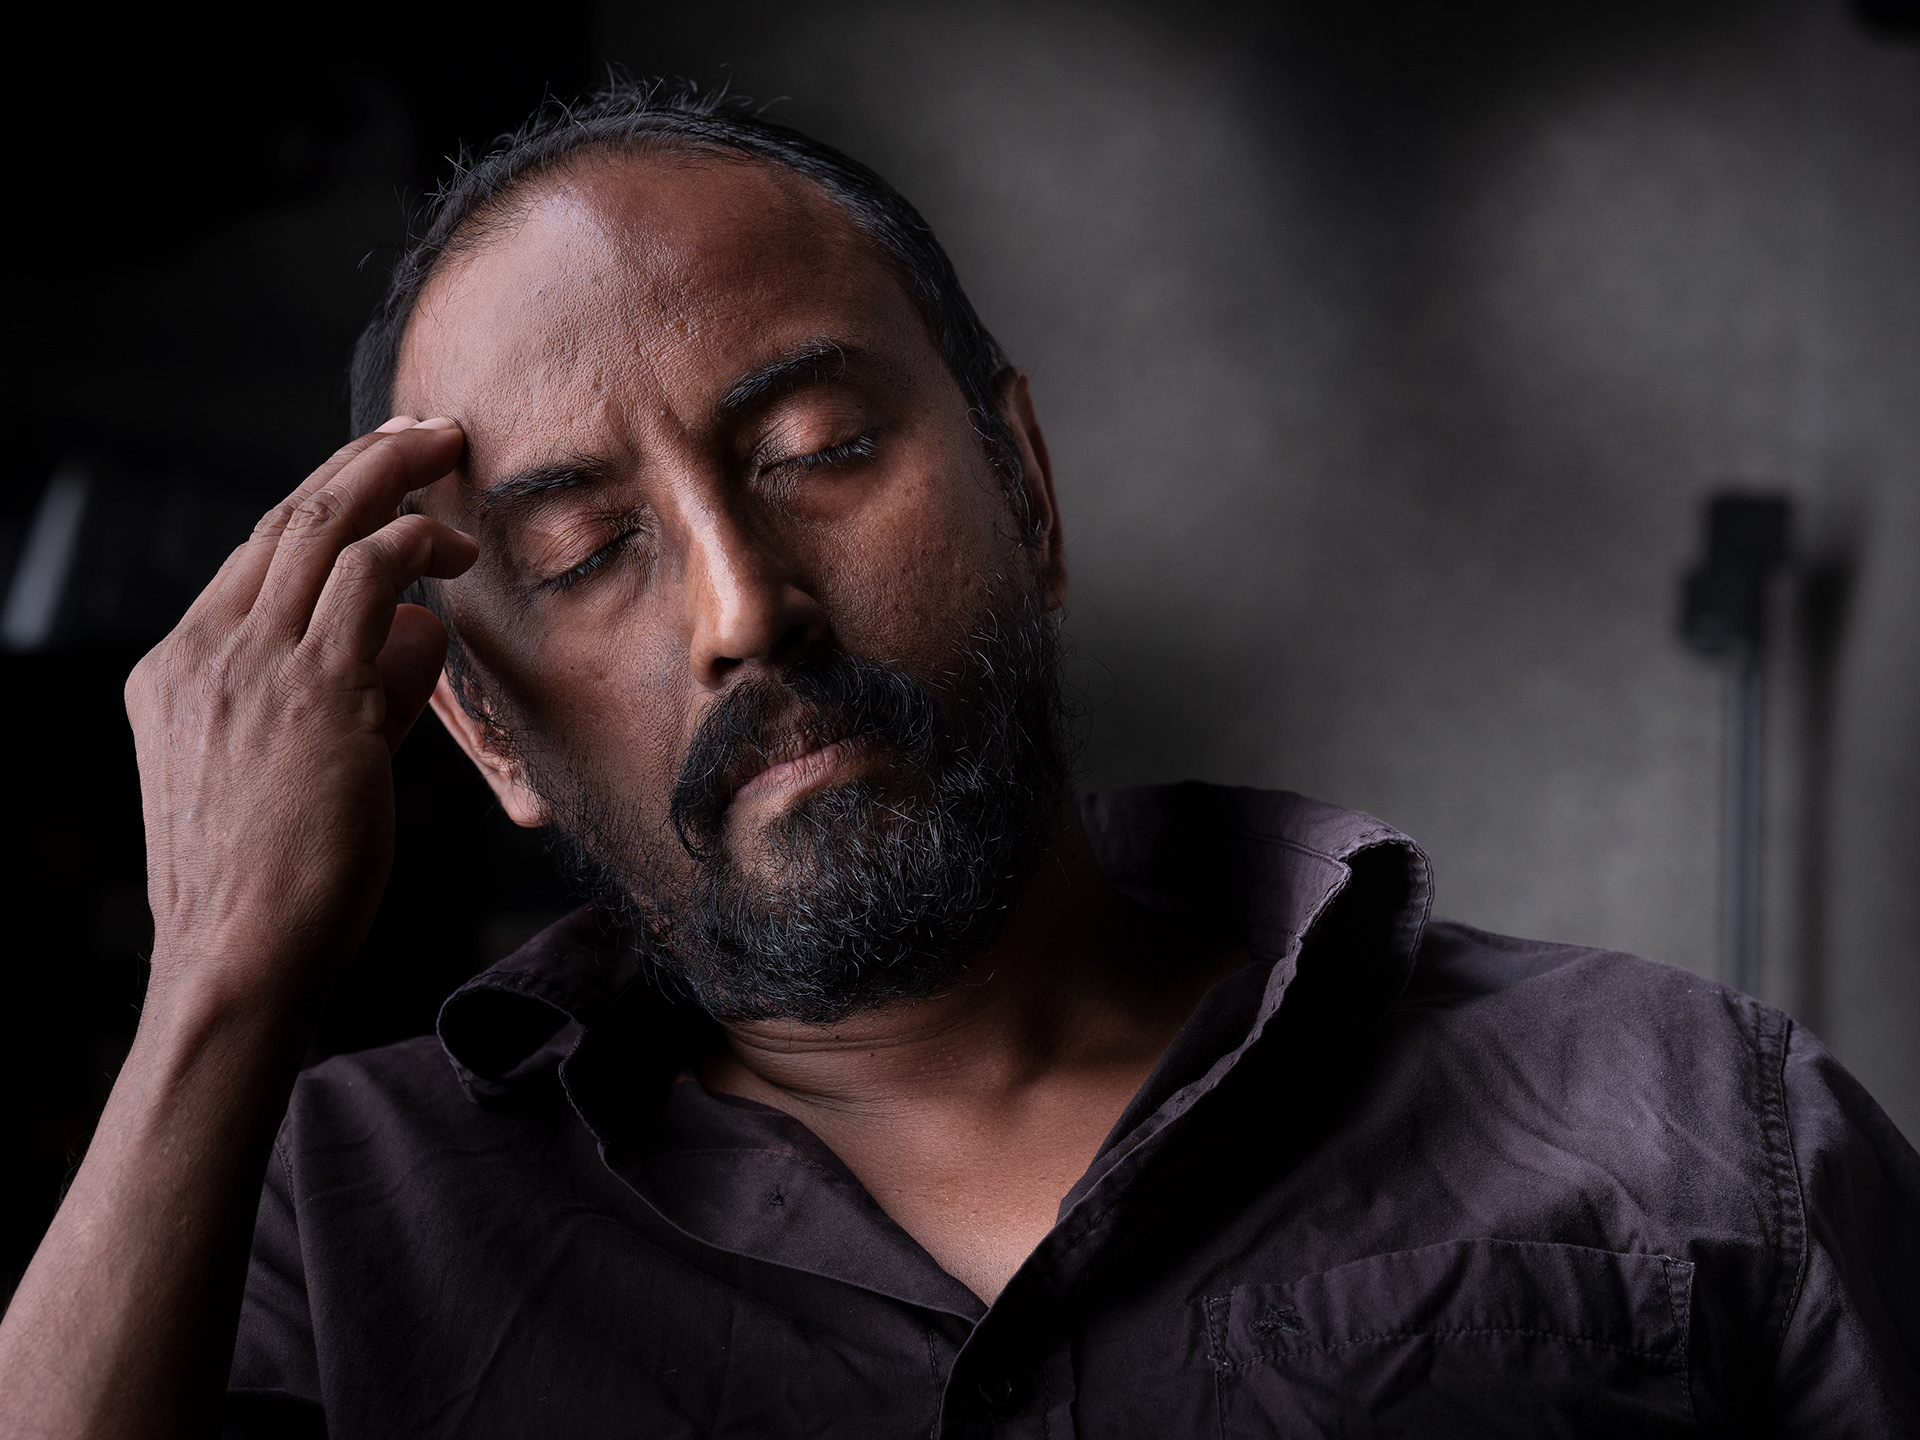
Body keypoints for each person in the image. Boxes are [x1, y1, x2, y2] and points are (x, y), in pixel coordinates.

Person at [2, 81, 1915, 1440]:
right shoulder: (319, 1231)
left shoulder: (1694, 1119)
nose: (741, 607)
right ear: (487, 733)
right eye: (584, 555)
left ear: (1028, 489)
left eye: (820, 450)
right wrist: (214, 970)